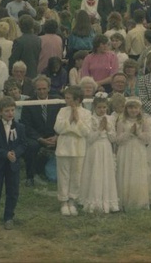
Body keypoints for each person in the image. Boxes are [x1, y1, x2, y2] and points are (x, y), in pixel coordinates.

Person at [0, 97, 27, 230]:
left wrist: (15, 153)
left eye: (12, 110)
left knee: (12, 191)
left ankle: (9, 217)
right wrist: (5, 154)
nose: (10, 113)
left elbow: (23, 144)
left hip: (13, 165)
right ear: (0, 112)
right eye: (7, 111)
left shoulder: (20, 127)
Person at [78, 94, 120, 214]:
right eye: (99, 107)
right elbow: (89, 139)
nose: (102, 110)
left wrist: (107, 129)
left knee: (106, 172)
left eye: (104, 107)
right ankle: (93, 200)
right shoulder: (91, 119)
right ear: (94, 108)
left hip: (106, 147)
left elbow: (113, 139)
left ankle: (108, 201)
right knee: (95, 172)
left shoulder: (110, 119)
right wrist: (100, 129)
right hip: (94, 149)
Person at [54, 85, 91, 216]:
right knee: (64, 175)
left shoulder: (86, 113)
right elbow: (58, 128)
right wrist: (69, 121)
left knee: (76, 176)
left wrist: (77, 120)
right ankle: (63, 201)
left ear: (77, 99)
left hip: (78, 149)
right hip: (64, 147)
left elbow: (85, 132)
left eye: (69, 98)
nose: (66, 100)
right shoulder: (62, 111)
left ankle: (72, 200)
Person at [20, 75, 62, 187]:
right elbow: (25, 125)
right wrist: (40, 138)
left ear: (49, 88)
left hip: (55, 135)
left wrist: (57, 135)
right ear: (35, 90)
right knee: (31, 145)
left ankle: (64, 174)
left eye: (44, 88)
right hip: (36, 136)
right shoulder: (28, 103)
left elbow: (63, 121)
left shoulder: (57, 101)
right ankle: (31, 177)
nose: (42, 91)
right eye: (39, 89)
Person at [115, 98, 149, 211]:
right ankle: (124, 200)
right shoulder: (121, 122)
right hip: (126, 149)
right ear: (126, 109)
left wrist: (138, 133)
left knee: (138, 173)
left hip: (138, 149)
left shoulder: (143, 122)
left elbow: (147, 139)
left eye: (136, 108)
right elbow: (118, 140)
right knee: (126, 171)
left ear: (139, 109)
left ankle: (138, 200)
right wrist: (129, 133)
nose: (133, 110)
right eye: (130, 108)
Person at [9, 15, 42, 79]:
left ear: (20, 26)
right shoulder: (38, 40)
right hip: (34, 73)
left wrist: (10, 72)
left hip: (21, 74)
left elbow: (13, 59)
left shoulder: (19, 41)